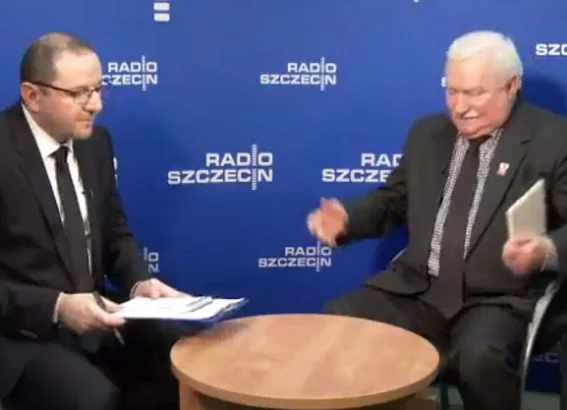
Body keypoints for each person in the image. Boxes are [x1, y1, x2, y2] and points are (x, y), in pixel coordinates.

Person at [307, 30, 567, 410]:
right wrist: (348, 218)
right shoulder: (427, 133)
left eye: (474, 93)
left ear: (512, 85)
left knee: (480, 358)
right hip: (419, 290)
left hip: (498, 299)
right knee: (340, 321)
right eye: (452, 91)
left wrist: (544, 251)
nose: (460, 107)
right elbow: (394, 200)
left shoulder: (554, 139)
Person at [0, 32, 190, 410]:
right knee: (94, 399)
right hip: (20, 334)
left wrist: (139, 283)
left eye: (98, 89)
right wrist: (58, 305)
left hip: (99, 316)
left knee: (183, 362)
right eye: (79, 94)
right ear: (32, 96)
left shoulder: (95, 143)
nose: (96, 105)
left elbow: (115, 234)